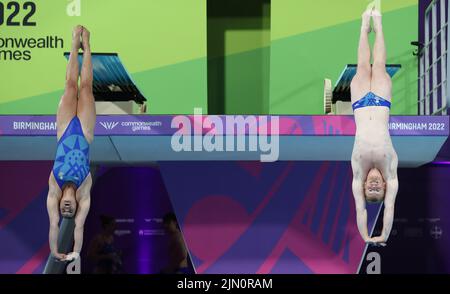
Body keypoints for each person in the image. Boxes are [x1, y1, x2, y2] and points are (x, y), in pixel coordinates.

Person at [46, 25, 95, 261]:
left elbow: (54, 224)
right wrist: (75, 251)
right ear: (76, 205)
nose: (66, 210)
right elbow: (78, 228)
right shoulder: (84, 193)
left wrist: (55, 251)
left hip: (64, 130)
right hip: (84, 132)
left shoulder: (54, 189)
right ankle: (87, 45)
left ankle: (74, 44)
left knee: (69, 86)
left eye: (64, 210)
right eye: (71, 210)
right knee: (85, 88)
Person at [350, 8, 399, 246]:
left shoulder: (357, 171)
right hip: (380, 101)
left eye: (370, 189)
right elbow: (389, 206)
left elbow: (361, 210)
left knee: (362, 67)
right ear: (385, 185)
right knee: (378, 66)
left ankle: (363, 26)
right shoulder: (391, 170)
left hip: (360, 103)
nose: (374, 186)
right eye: (378, 189)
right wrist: (384, 234)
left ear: (363, 186)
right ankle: (378, 24)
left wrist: (365, 236)